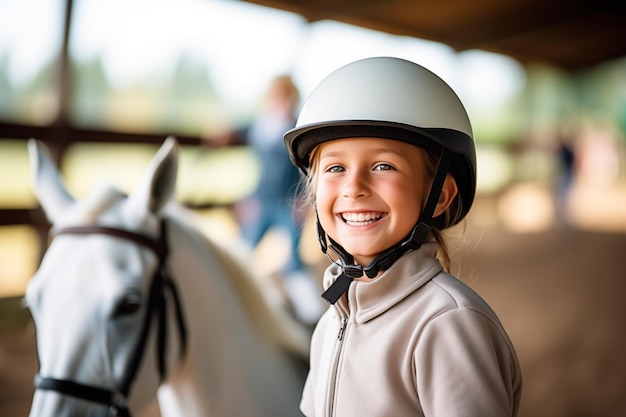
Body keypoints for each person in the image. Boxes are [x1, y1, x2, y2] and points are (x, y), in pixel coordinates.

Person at [283, 57, 522, 416]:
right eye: (335, 167)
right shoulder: (331, 321)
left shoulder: (448, 324)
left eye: (383, 166)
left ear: (440, 196)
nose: (354, 188)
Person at [217, 75, 324, 325]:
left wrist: (305, 199)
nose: (283, 103)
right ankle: (229, 302)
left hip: (289, 203)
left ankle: (312, 317)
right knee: (242, 252)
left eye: (287, 98)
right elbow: (241, 130)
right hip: (261, 200)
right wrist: (224, 134)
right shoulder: (261, 125)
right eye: (279, 97)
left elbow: (306, 166)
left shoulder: (296, 126)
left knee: (293, 262)